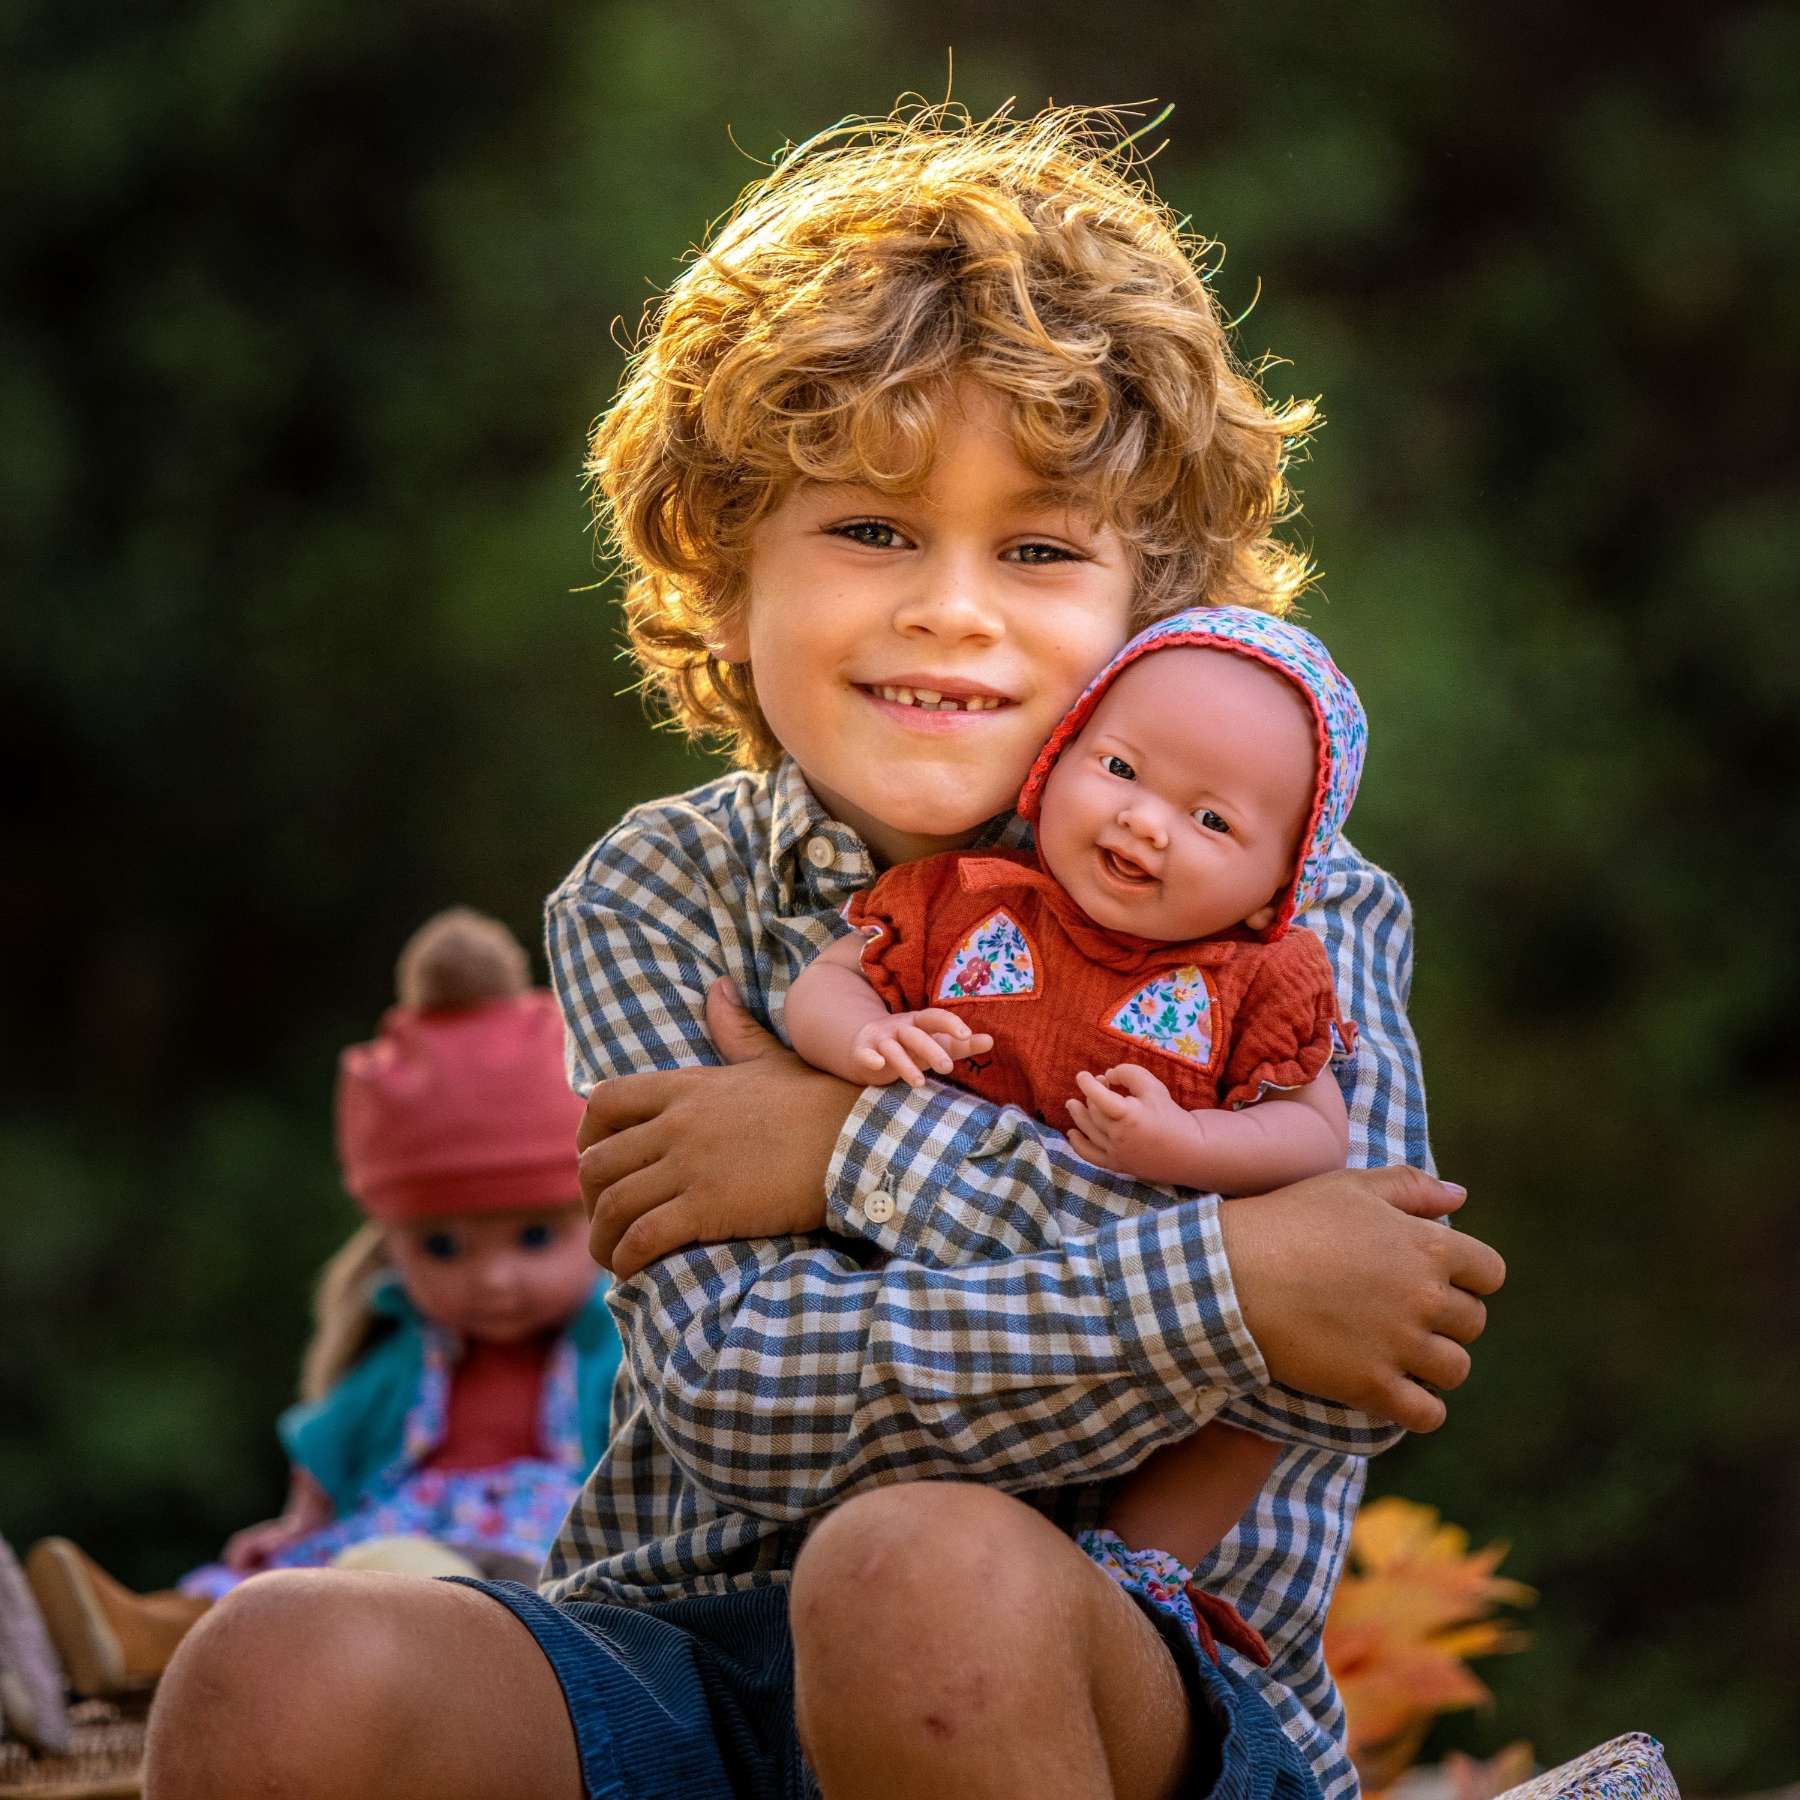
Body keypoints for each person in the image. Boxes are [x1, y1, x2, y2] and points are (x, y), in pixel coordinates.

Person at [145, 103, 1504, 1800]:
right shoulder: (662, 895)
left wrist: (842, 1145)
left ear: (1149, 613)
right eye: (871, 529)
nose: (952, 606)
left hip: (1145, 1679)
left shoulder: (1295, 892)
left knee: (917, 1575)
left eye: (1037, 548)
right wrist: (1224, 1279)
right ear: (723, 575)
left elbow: (1367, 1322)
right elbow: (741, 1393)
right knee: (284, 1666)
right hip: (696, 1654)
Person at [783, 605, 1368, 1611]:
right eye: (1122, 771)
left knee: (1271, 1388)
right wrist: (864, 1038)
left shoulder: (1258, 983)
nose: (1145, 823)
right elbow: (824, 986)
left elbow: (1317, 1137)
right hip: (947, 1302)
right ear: (1057, 759)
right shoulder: (965, 898)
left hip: (1153, 1336)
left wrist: (1188, 1141)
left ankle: (1134, 1568)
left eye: (1213, 820)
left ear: (1283, 880)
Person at [27, 908, 620, 1702]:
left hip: (538, 1553)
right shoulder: (412, 1354)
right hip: (390, 1541)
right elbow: (332, 1448)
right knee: (284, 1590)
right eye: (442, 1248)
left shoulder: (615, 1341)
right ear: (392, 1245)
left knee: (448, 1604)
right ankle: (132, 1636)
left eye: (535, 1238)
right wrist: (297, 1525)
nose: (493, 1279)